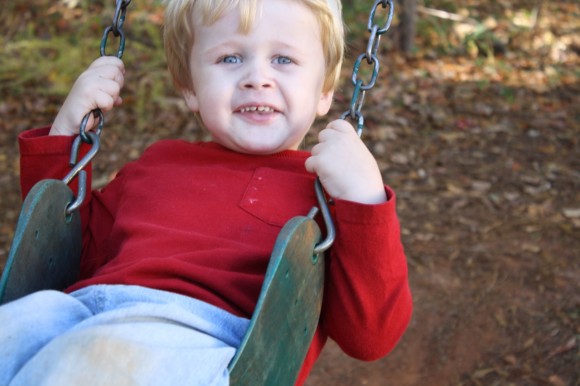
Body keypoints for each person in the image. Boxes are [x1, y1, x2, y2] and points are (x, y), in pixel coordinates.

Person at [0, 0, 412, 385]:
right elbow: (64, 254)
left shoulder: (326, 201)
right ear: (191, 88)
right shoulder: (156, 165)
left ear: (324, 91)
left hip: (207, 344)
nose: (257, 78)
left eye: (283, 59)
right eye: (230, 58)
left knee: (90, 358)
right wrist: (66, 132)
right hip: (82, 311)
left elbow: (369, 337)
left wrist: (365, 201)